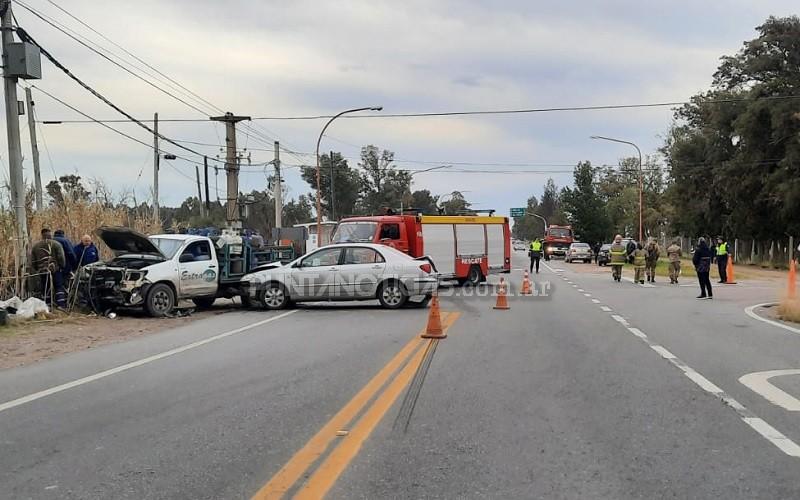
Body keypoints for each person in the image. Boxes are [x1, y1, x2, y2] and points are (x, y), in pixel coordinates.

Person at [31, 228, 66, 308]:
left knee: (46, 288)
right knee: (58, 287)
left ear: (42, 235)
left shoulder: (36, 246)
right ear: (50, 234)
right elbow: (61, 257)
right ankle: (61, 305)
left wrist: (37, 269)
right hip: (55, 269)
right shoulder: (56, 244)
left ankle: (48, 306)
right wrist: (61, 266)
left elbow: (33, 261)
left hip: (42, 270)